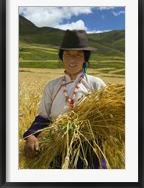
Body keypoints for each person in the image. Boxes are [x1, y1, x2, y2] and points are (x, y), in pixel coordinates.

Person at [23, 29, 107, 168]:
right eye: (67, 54)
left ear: (86, 58)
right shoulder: (52, 86)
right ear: (61, 57)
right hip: (57, 149)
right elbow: (44, 117)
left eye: (78, 55)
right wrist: (31, 135)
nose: (72, 59)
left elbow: (107, 118)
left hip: (90, 150)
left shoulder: (96, 84)